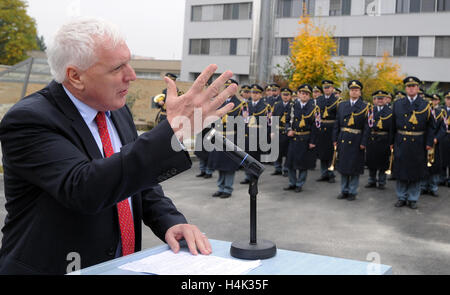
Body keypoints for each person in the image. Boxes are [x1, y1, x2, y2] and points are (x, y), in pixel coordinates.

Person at [0, 18, 237, 274]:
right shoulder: (29, 120)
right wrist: (171, 131)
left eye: (129, 62)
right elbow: (85, 188)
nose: (131, 76)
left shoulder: (116, 110)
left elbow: (137, 181)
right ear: (75, 76)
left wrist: (170, 222)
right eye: (117, 68)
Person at [391, 77, 435, 209]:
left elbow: (431, 126)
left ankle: (413, 198)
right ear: (405, 88)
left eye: (414, 86)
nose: (411, 88)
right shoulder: (398, 104)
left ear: (418, 88)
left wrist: (429, 143)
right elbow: (392, 125)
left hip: (418, 143)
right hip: (401, 141)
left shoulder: (426, 105)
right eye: (409, 86)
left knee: (416, 172)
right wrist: (391, 142)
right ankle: (401, 197)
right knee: (401, 171)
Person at [333, 80, 370, 201]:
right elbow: (337, 123)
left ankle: (353, 191)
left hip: (356, 140)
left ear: (360, 93)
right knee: (343, 167)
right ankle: (344, 190)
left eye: (356, 90)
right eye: (352, 90)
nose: (354, 92)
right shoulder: (342, 105)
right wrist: (335, 138)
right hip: (343, 138)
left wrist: (364, 142)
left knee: (354, 168)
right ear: (349, 92)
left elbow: (367, 127)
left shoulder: (366, 107)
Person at [208, 79, 245, 198]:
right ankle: (220, 187)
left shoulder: (241, 105)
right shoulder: (219, 103)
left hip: (231, 138)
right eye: (227, 87)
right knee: (220, 164)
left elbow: (242, 124)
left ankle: (228, 189)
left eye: (232, 88)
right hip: (219, 137)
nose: (229, 90)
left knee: (229, 166)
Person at [285, 84, 319, 192]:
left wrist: (313, 141)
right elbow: (286, 121)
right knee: (290, 163)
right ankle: (292, 183)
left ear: (309, 96)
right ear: (298, 94)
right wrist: (288, 129)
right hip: (294, 138)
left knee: (303, 164)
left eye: (307, 94)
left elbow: (316, 126)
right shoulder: (292, 105)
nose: (304, 95)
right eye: (302, 93)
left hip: (306, 138)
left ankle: (300, 184)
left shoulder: (314, 108)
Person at [240, 84, 271, 184]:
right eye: (253, 92)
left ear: (261, 95)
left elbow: (269, 122)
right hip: (247, 134)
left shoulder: (266, 106)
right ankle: (247, 176)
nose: (254, 95)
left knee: (256, 158)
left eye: (257, 93)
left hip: (259, 134)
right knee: (247, 157)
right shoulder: (245, 105)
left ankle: (255, 177)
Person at [365, 90, 393, 190]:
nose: (380, 100)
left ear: (386, 99)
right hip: (372, 139)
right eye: (378, 98)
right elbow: (366, 127)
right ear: (374, 100)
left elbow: (392, 129)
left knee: (383, 162)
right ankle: (371, 180)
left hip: (384, 139)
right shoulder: (370, 111)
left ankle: (382, 181)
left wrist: (391, 142)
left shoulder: (390, 112)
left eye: (382, 98)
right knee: (371, 161)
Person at [315, 80, 341, 183]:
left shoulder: (337, 100)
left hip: (331, 128)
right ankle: (323, 174)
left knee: (331, 153)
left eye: (328, 87)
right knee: (322, 153)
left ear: (332, 88)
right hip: (321, 128)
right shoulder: (319, 99)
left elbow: (338, 117)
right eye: (325, 87)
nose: (327, 89)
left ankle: (331, 174)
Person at [420, 93, 446, 197]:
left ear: (437, 101)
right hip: (424, 142)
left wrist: (436, 138)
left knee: (434, 166)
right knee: (424, 165)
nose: (432, 102)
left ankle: (433, 187)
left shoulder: (441, 113)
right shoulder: (422, 112)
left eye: (434, 100)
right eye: (430, 101)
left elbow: (443, 128)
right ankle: (423, 186)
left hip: (435, 144)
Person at [271, 88, 293, 176]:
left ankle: (286, 168)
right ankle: (277, 168)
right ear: (281, 95)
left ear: (290, 96)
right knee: (277, 151)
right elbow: (273, 118)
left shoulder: (293, 105)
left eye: (287, 95)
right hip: (278, 130)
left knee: (288, 151)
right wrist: (272, 131)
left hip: (287, 131)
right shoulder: (277, 105)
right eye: (284, 95)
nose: (285, 97)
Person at [440, 91, 450, 187]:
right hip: (444, 137)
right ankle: (442, 178)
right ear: (445, 99)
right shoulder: (441, 110)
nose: (449, 101)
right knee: (443, 158)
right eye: (448, 99)